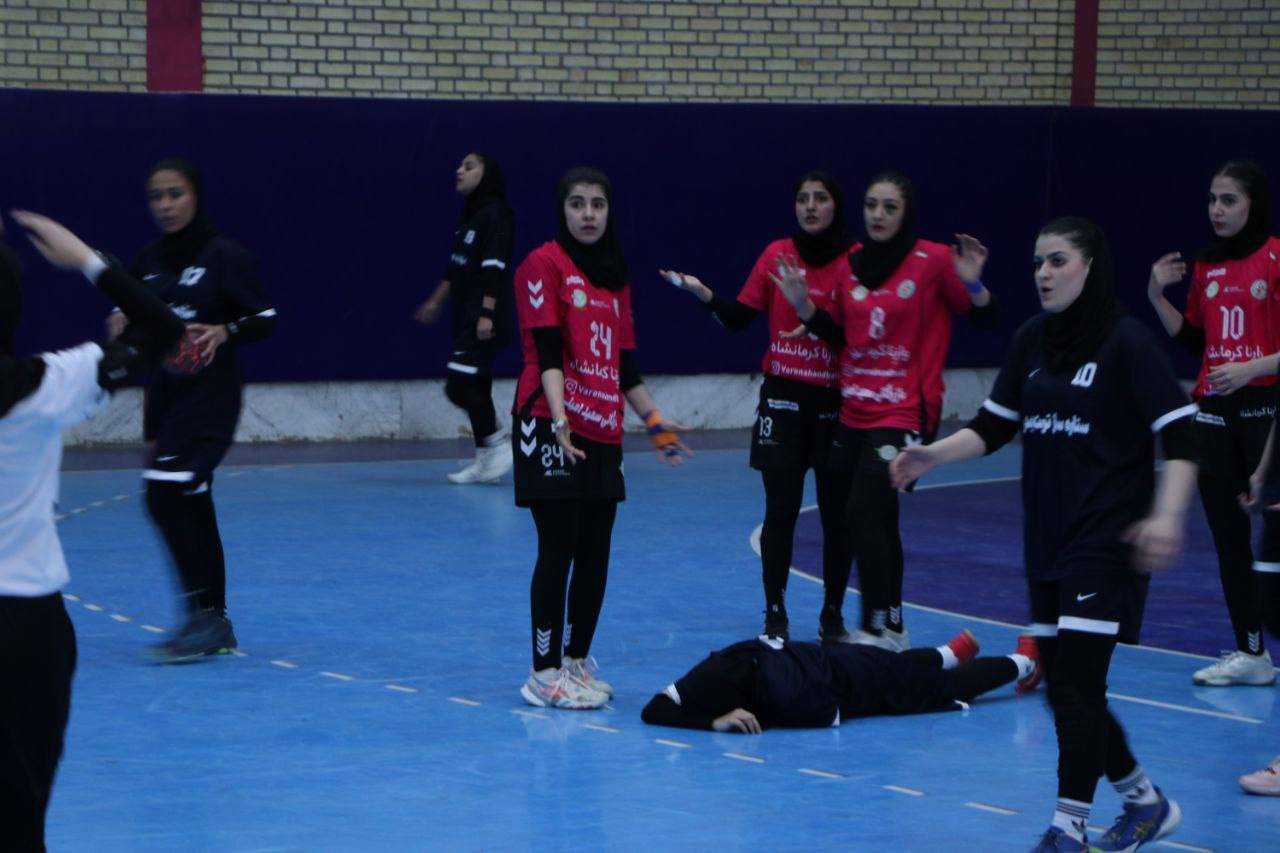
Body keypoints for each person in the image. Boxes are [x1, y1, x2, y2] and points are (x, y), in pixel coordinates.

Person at [889, 217, 1197, 852]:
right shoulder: (1032, 339)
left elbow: (1183, 436)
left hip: (1105, 539)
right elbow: (992, 427)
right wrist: (931, 456)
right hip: (1047, 541)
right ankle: (1144, 800)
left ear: (1090, 266)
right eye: (1037, 262)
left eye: (1057, 261)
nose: (1043, 274)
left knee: (1079, 688)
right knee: (1065, 690)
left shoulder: (1127, 343)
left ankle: (1067, 830)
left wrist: (1167, 514)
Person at [1, 211, 184, 850]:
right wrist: (87, 259)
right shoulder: (51, 382)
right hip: (28, 629)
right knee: (22, 814)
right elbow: (164, 329)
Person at [773, 170, 1000, 650]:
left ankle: (875, 628)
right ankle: (894, 624)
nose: (878, 215)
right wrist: (803, 306)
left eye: (890, 207)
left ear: (906, 212)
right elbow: (841, 334)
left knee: (864, 510)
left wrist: (974, 284)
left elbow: (987, 319)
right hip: (853, 410)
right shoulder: (852, 263)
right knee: (872, 515)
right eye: (871, 205)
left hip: (905, 412)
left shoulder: (934, 261)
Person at [511, 166, 691, 710]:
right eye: (577, 204)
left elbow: (624, 366)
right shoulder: (543, 264)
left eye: (597, 204)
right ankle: (543, 673)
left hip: (602, 426)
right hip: (550, 422)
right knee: (558, 547)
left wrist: (656, 424)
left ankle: (574, 662)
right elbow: (547, 351)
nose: (588, 214)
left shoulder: (615, 276)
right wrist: (559, 419)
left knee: (595, 552)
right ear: (562, 210)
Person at [661, 170, 853, 641]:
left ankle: (832, 616)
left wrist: (808, 311)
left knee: (837, 515)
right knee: (780, 511)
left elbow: (850, 337)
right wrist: (703, 294)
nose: (811, 206)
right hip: (783, 402)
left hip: (834, 405)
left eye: (820, 198)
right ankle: (775, 612)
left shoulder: (854, 261)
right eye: (803, 198)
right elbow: (740, 319)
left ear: (835, 205)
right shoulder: (776, 255)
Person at [112, 158, 278, 662]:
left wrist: (227, 330)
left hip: (211, 399)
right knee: (191, 499)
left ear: (196, 196)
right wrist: (121, 322)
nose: (165, 205)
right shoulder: (148, 262)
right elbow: (137, 320)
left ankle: (201, 617)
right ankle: (213, 619)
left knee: (163, 495)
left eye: (175, 194)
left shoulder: (225, 255)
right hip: (166, 397)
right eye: (156, 196)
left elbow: (266, 318)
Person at [1147, 160, 1280, 687]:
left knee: (1276, 540)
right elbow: (1195, 341)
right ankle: (1252, 654)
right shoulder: (1207, 265)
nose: (1217, 210)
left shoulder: (1276, 256)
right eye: (1211, 200)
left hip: (1268, 414)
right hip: (1215, 415)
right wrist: (1156, 296)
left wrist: (1251, 367)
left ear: (1253, 203)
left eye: (1228, 200)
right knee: (1229, 539)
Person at [641, 629, 1039, 733]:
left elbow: (654, 710)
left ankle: (1027, 661)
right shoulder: (711, 671)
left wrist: (714, 722)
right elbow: (655, 708)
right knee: (892, 665)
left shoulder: (706, 685)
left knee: (941, 689)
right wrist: (714, 722)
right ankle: (951, 654)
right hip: (822, 660)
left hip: (834, 679)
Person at [414, 152, 516, 484]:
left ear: (486, 174)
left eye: (469, 166)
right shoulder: (470, 216)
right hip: (464, 312)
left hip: (484, 314)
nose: (459, 171)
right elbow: (455, 267)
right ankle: (486, 460)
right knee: (477, 385)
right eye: (459, 165)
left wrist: (487, 314)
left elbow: (495, 268)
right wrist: (435, 302)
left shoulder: (496, 214)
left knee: (458, 386)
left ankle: (497, 444)